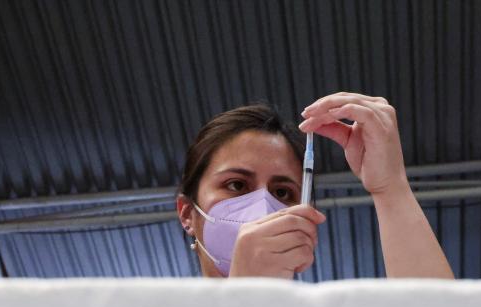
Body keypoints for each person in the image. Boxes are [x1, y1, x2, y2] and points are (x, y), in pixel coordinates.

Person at [175, 93, 455, 281]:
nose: (262, 208)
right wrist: (248, 295)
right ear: (187, 213)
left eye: (283, 193)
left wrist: (390, 188)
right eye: (236, 185)